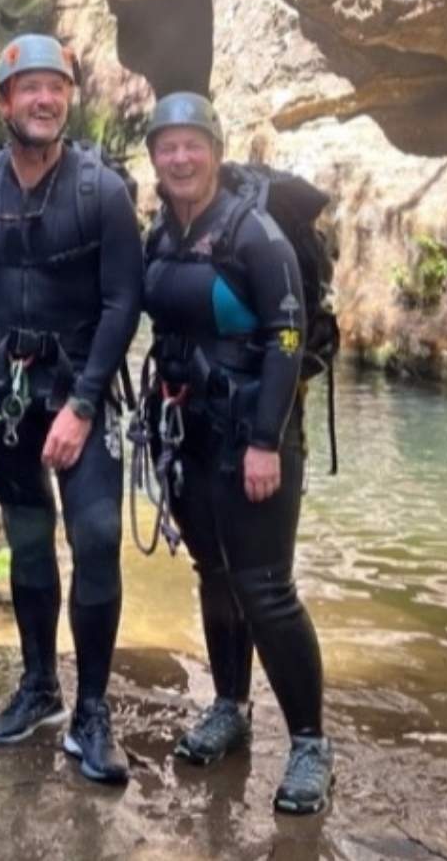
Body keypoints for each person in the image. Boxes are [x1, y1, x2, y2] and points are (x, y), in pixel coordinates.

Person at [142, 92, 334, 815]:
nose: (180, 158)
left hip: (254, 434)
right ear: (154, 158)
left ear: (216, 153)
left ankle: (310, 744)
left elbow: (287, 337)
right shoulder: (161, 233)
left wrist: (264, 442)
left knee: (265, 587)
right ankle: (230, 706)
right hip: (187, 431)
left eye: (193, 145)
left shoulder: (256, 234)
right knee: (215, 573)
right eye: (167, 147)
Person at [0, 34, 142, 783]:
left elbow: (124, 301)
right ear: (4, 101)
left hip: (79, 390)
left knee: (96, 538)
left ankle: (92, 711)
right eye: (29, 88)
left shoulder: (103, 191)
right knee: (28, 542)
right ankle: (40, 687)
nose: (44, 99)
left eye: (56, 87)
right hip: (7, 400)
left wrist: (85, 404)